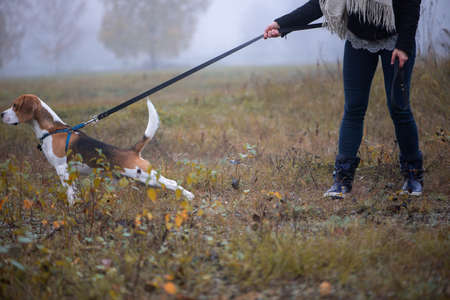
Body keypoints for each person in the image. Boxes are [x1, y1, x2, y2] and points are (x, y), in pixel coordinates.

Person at [264, 0, 423, 198]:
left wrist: (405, 45)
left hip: (396, 40)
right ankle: (342, 180)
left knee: (399, 107)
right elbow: (320, 4)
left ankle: (413, 175)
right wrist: (281, 24)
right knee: (354, 108)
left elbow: (411, 5)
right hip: (358, 41)